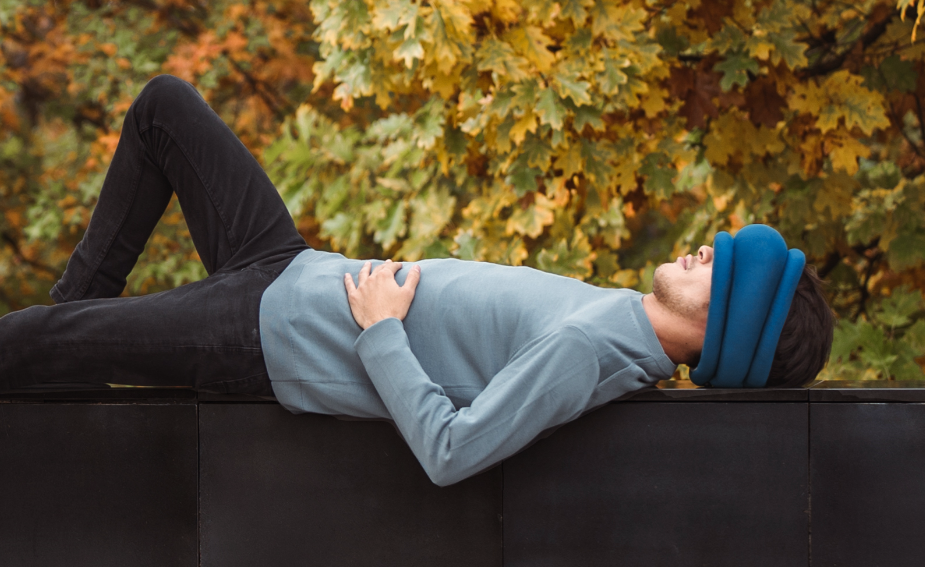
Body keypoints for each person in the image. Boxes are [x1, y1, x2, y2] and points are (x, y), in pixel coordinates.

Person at [0, 75, 834, 486]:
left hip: (262, 334)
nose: (702, 250)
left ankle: (59, 345)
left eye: (718, 267)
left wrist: (382, 331)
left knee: (32, 339)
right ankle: (68, 341)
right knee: (164, 108)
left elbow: (453, 452)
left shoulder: (591, 350)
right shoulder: (622, 330)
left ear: (724, 323)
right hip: (288, 267)